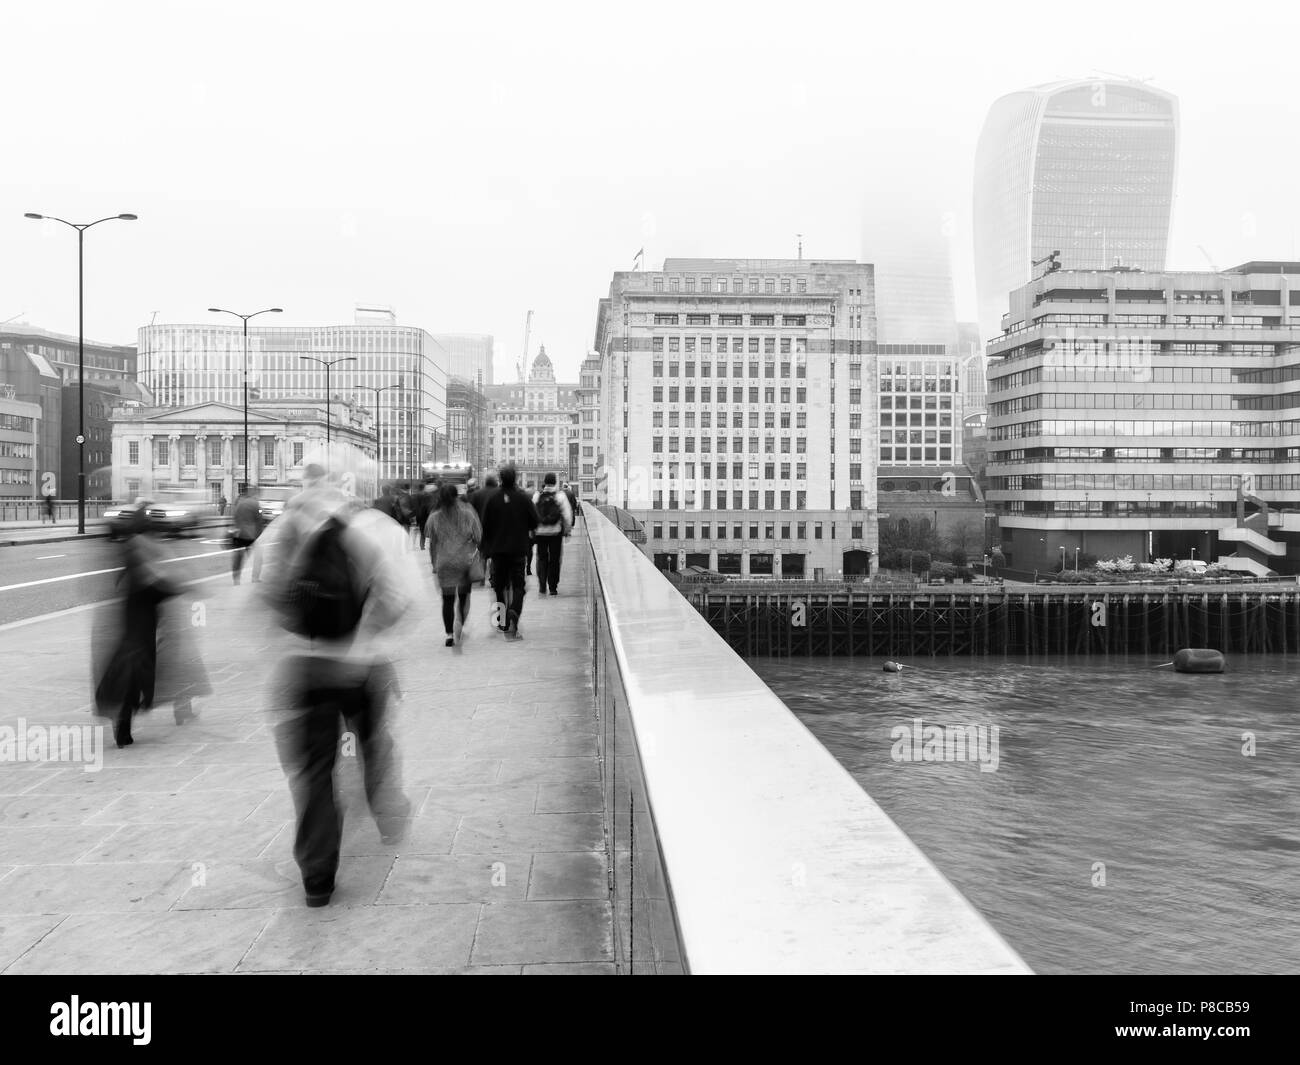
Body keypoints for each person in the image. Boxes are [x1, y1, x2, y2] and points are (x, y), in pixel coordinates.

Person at [259, 457, 415, 908]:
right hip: (359, 668)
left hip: (303, 672)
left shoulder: (282, 532)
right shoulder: (366, 529)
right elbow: (397, 599)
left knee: (311, 775)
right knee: (373, 743)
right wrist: (363, 644)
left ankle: (317, 875)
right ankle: (388, 812)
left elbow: (265, 597)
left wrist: (285, 645)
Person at [479, 464, 538, 639]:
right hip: (518, 549)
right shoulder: (523, 499)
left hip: (498, 551)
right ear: (516, 479)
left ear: (500, 479)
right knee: (519, 586)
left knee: (499, 586)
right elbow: (535, 521)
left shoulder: (493, 499)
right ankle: (514, 612)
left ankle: (503, 621)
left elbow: (485, 526)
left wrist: (486, 548)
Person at [425, 482, 482, 647]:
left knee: (447, 600)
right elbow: (478, 536)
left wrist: (434, 565)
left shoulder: (434, 518)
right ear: (456, 496)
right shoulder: (468, 514)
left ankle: (449, 634)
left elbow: (432, 544)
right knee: (464, 597)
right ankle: (460, 625)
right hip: (464, 562)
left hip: (444, 563)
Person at [531, 473, 573, 596]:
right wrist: (567, 529)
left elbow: (532, 513)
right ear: (555, 482)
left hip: (540, 532)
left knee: (541, 558)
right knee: (555, 559)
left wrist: (532, 529)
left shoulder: (537, 496)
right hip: (555, 532)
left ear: (544, 482)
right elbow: (567, 514)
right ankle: (553, 587)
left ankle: (542, 585)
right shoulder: (560, 496)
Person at [468, 474, 499, 586]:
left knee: (482, 554)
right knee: (495, 556)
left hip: (481, 528)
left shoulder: (477, 494)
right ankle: (493, 578)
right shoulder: (499, 493)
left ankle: (481, 578)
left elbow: (471, 512)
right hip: (496, 529)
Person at [231, 486, 263, 585]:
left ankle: (236, 579)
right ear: (255, 494)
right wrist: (259, 534)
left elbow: (235, 516)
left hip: (239, 533)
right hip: (251, 535)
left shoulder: (240, 503)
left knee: (238, 557)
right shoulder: (255, 504)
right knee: (258, 557)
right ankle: (255, 578)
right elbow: (259, 519)